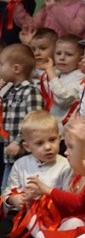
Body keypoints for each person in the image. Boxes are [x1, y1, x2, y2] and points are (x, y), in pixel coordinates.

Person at [1, 110, 72, 217]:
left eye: (52, 140)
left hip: (51, 217)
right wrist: (13, 199)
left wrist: (42, 196)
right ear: (27, 147)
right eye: (39, 143)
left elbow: (68, 199)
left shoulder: (66, 166)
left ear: (59, 138)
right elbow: (8, 192)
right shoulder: (20, 165)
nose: (48, 147)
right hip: (22, 215)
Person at [0, 44, 45, 187]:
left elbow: (35, 122)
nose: (0, 69)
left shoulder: (30, 91)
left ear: (16, 69)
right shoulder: (9, 92)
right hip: (9, 154)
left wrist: (18, 142)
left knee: (14, 189)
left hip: (24, 155)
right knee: (6, 190)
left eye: (2, 64)